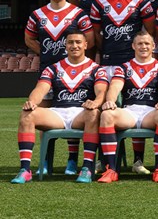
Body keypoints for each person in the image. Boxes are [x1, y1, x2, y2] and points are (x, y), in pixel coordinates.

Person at [12, 30, 107, 184]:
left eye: (78, 42)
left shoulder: (96, 69)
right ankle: (25, 170)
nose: (74, 45)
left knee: (94, 113)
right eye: (70, 42)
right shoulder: (53, 68)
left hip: (81, 113)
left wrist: (96, 102)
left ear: (85, 45)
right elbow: (40, 89)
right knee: (27, 114)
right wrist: (32, 102)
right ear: (65, 45)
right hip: (57, 113)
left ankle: (87, 168)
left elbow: (102, 91)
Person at [24, 0, 94, 175]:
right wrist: (47, 55)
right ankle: (46, 161)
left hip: (76, 72)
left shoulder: (78, 14)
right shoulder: (37, 15)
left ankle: (72, 161)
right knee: (44, 115)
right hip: (48, 72)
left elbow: (89, 40)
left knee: (73, 109)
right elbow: (29, 39)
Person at [94, 31, 158, 183]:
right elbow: (115, 87)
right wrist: (110, 100)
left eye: (147, 44)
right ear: (133, 46)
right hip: (129, 111)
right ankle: (111, 170)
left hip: (151, 111)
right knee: (106, 115)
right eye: (140, 44)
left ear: (153, 46)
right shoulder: (123, 68)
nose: (143, 47)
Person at [90, 0, 156, 75]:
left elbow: (150, 31)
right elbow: (96, 33)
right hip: (109, 60)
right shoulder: (98, 2)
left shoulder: (141, 0)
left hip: (134, 60)